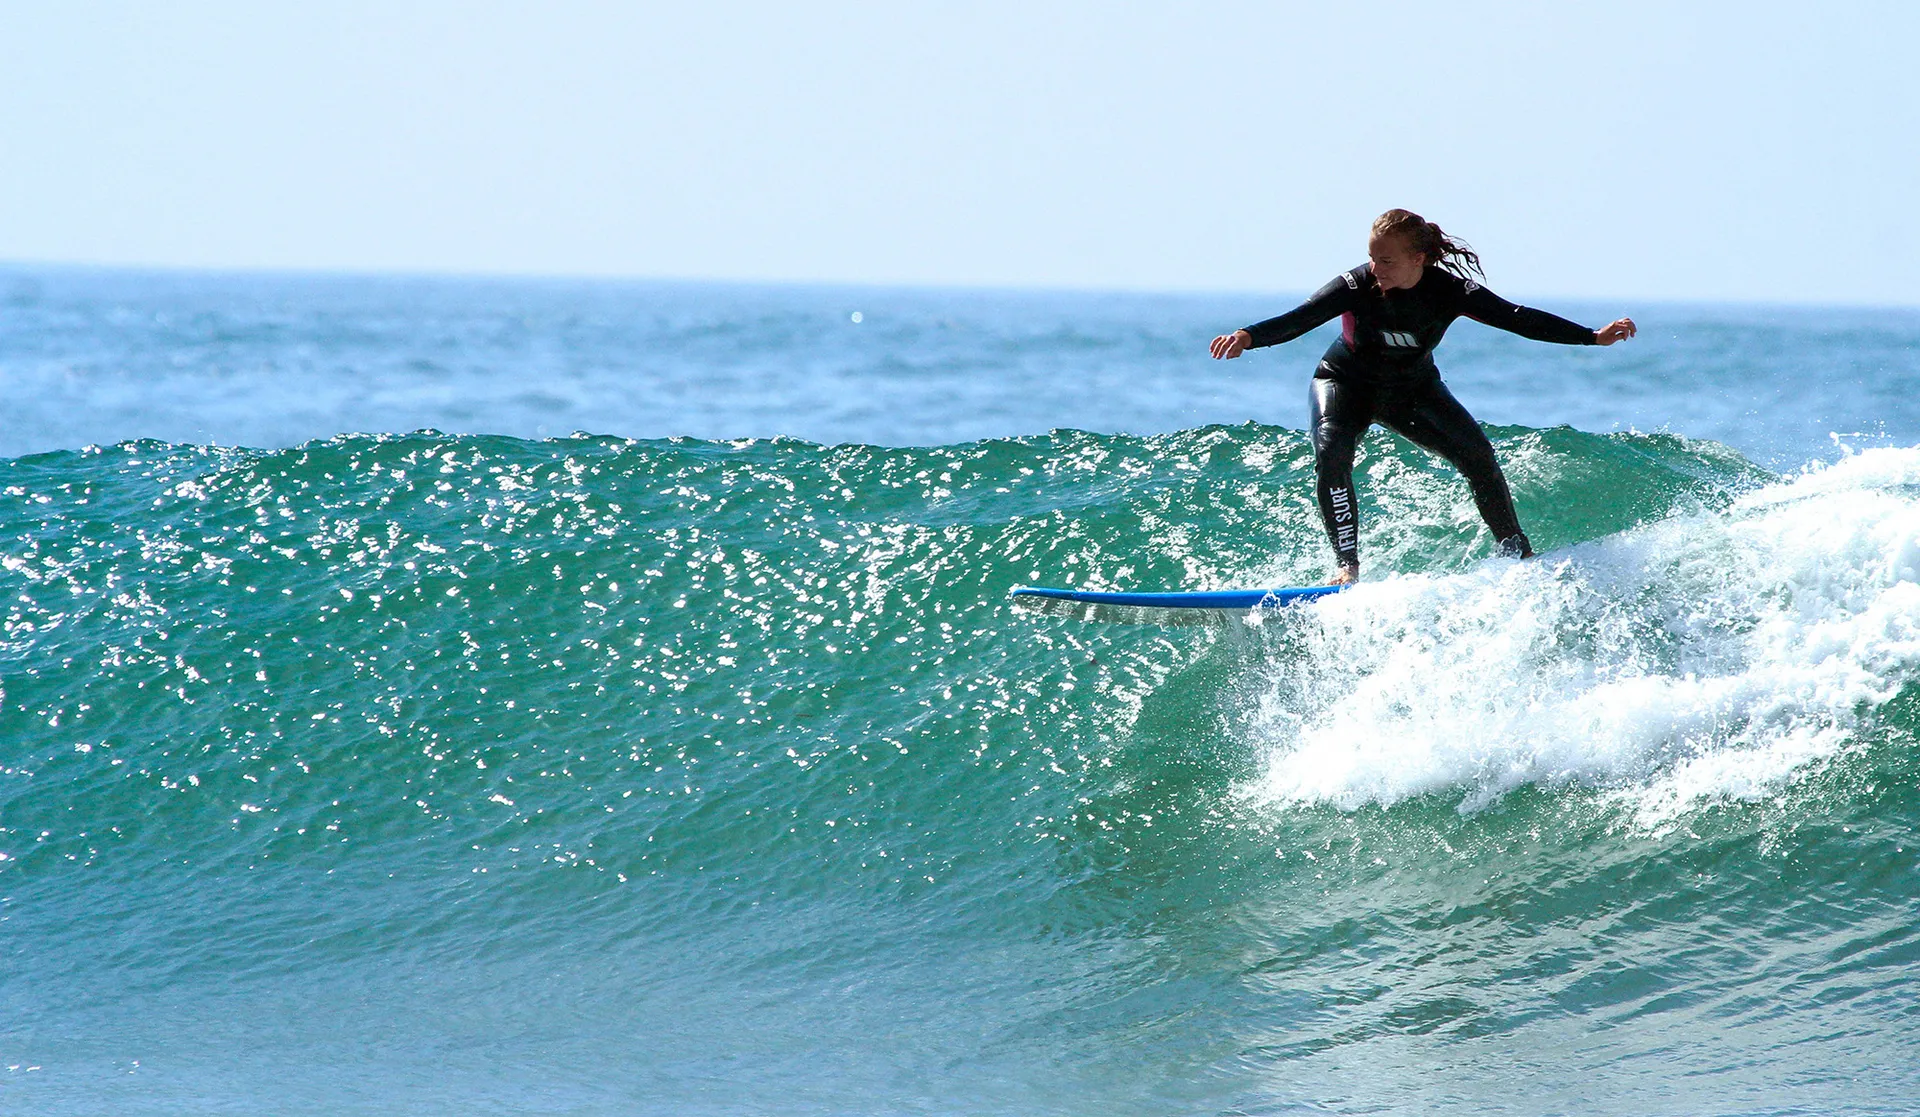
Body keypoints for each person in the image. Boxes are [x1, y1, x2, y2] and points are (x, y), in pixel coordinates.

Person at [1210, 208, 1636, 584]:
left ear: (1418, 259)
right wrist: (1248, 336)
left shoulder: (1450, 291)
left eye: (1387, 260)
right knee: (1332, 453)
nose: (1376, 268)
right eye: (1373, 257)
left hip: (1412, 390)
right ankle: (1347, 566)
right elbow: (1300, 318)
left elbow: (1516, 318)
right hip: (1344, 383)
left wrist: (1591, 337)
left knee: (1478, 457)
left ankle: (1515, 552)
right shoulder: (1355, 284)